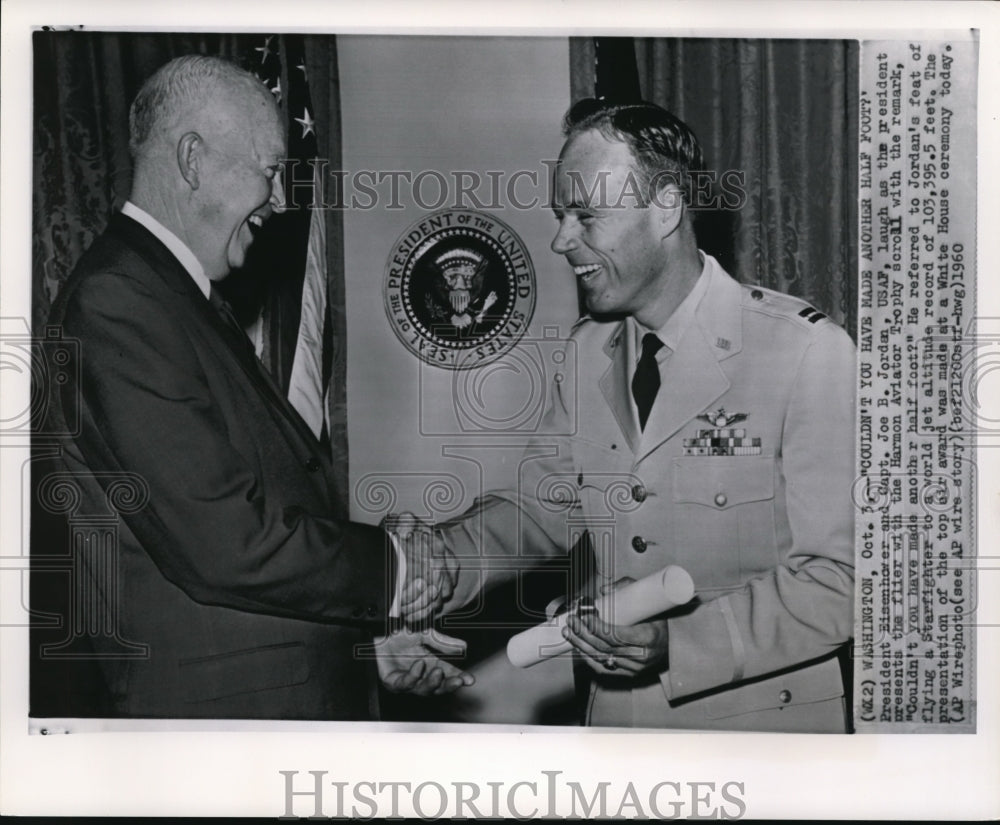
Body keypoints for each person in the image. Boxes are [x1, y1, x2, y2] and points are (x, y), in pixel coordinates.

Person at [42, 55, 468, 720]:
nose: (278, 200)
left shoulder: (171, 297)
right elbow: (224, 540)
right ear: (193, 160)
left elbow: (258, 506)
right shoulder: (119, 303)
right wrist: (394, 567)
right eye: (270, 172)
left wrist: (363, 640)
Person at [425, 99, 856, 731]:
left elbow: (841, 578)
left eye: (586, 216)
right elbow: (539, 509)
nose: (561, 239)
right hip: (617, 730)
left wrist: (678, 646)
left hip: (763, 737)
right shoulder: (584, 352)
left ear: (667, 210)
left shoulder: (804, 351)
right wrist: (439, 563)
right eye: (560, 216)